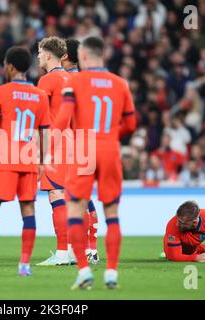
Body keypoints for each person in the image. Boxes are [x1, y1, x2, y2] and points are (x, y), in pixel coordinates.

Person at [54, 36, 137, 289]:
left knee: (76, 209)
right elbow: (131, 124)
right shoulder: (120, 83)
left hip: (83, 148)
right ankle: (111, 272)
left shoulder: (74, 81)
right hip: (110, 149)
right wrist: (111, 136)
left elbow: (63, 119)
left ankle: (83, 271)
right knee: (111, 213)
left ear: (85, 56)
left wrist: (46, 147)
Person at [0, 46, 50, 277]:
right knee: (28, 210)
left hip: (4, 159)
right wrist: (43, 162)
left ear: (10, 67)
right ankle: (24, 266)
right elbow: (45, 133)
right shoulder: (40, 96)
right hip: (28, 160)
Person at [36, 36, 75, 266]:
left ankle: (62, 253)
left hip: (54, 142)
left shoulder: (47, 81)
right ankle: (70, 250)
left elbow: (40, 116)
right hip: (72, 141)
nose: (38, 57)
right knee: (68, 197)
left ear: (49, 55)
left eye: (40, 53)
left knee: (56, 194)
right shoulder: (71, 78)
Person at [61, 37, 99, 264]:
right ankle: (90, 248)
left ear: (65, 55)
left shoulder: (68, 80)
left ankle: (85, 249)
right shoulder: (87, 79)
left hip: (75, 143)